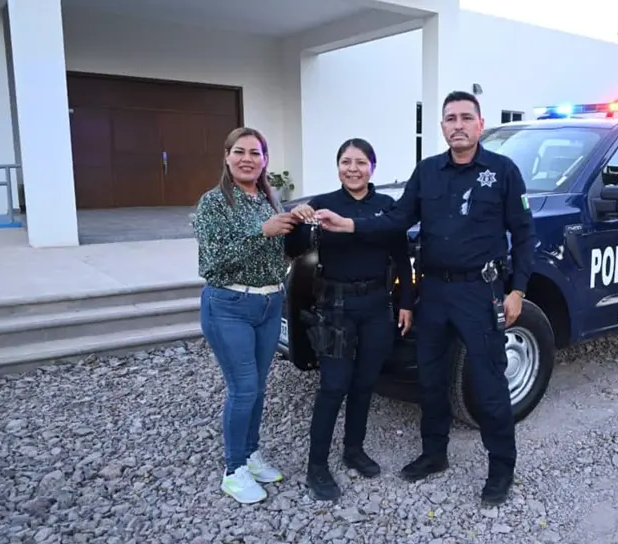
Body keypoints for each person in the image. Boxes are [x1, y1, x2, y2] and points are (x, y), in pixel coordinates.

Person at [313, 91, 536, 506]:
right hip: (433, 292)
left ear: (480, 124)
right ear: (442, 126)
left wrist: (518, 290)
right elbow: (398, 218)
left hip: (479, 292)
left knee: (488, 382)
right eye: (450, 118)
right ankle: (435, 453)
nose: (458, 125)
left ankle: (501, 469)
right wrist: (349, 225)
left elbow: (524, 234)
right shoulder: (428, 171)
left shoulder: (503, 171)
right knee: (431, 380)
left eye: (466, 117)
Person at [286, 138, 416, 502]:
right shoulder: (323, 203)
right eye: (346, 162)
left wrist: (406, 303)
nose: (353, 169)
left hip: (377, 307)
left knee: (365, 383)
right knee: (333, 386)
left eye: (360, 162)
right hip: (335, 309)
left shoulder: (386, 207)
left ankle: (353, 450)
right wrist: (297, 221)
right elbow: (294, 250)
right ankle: (316, 466)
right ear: (338, 166)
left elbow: (402, 258)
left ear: (373, 167)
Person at [192, 127, 301, 505]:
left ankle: (250, 453)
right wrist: (262, 232)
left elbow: (283, 253)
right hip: (229, 305)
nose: (247, 159)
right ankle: (233, 469)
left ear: (265, 160)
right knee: (244, 388)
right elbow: (213, 260)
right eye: (239, 152)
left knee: (257, 387)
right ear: (227, 156)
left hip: (268, 305)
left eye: (256, 153)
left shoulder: (269, 200)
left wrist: (299, 223)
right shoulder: (214, 203)